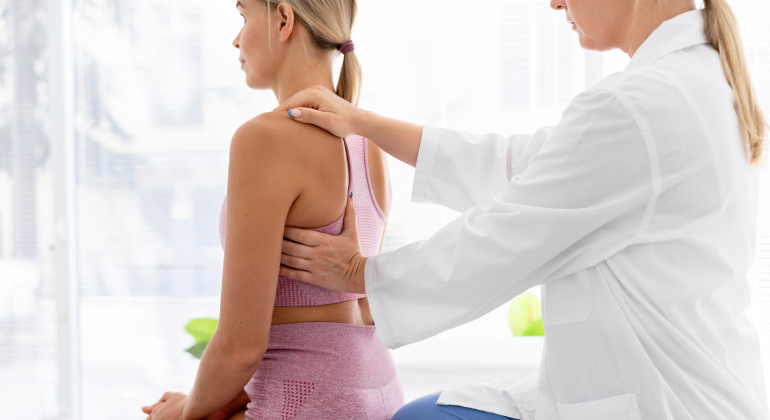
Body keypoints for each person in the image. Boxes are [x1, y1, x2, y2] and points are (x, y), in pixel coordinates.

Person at [276, 0, 769, 419]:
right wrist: (362, 122)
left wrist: (361, 273)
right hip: (694, 383)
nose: (553, 2)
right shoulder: (690, 81)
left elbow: (505, 240)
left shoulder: (639, 104)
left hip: (664, 400)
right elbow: (518, 165)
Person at [140, 1, 404, 419]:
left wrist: (183, 412)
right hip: (381, 394)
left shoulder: (265, 139)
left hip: (307, 400)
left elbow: (241, 347)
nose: (236, 38)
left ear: (283, 19)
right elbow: (362, 307)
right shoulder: (367, 139)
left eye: (243, 16)